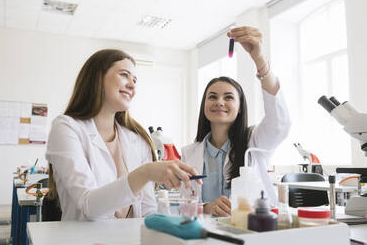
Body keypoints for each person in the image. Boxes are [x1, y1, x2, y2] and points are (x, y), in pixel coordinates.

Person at [46, 49, 199, 221]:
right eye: (124, 75)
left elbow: (147, 211)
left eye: (134, 80)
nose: (132, 86)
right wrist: (145, 173)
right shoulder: (66, 128)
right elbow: (89, 205)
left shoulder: (137, 140)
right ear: (97, 78)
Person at [181, 26, 291, 217]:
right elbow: (182, 205)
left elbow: (280, 122)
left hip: (251, 231)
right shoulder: (189, 153)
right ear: (204, 105)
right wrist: (205, 207)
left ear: (240, 107)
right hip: (205, 234)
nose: (219, 102)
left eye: (229, 97)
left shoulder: (255, 141)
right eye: (212, 97)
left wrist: (259, 60)